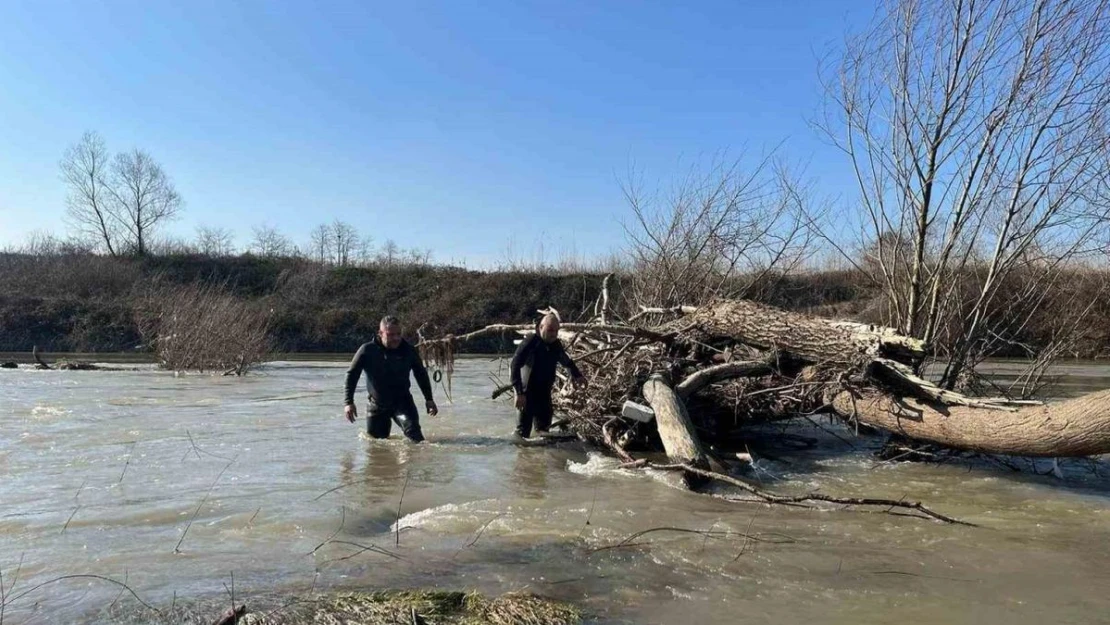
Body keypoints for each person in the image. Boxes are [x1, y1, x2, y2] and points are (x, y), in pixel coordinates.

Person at [344, 316, 438, 442]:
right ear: (380, 333)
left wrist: (429, 399)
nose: (396, 338)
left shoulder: (408, 350)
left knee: (416, 438)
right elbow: (352, 375)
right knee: (376, 445)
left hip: (403, 403)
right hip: (377, 405)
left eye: (398, 334)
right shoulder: (367, 350)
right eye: (391, 335)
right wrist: (348, 402)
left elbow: (421, 374)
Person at [510, 313, 587, 439]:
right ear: (540, 328)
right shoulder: (530, 342)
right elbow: (514, 366)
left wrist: (577, 375)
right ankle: (523, 458)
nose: (554, 334)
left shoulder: (555, 344)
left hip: (544, 394)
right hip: (526, 394)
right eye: (550, 330)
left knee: (544, 434)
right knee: (522, 437)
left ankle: (542, 458)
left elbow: (566, 360)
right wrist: (519, 392)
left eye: (556, 331)